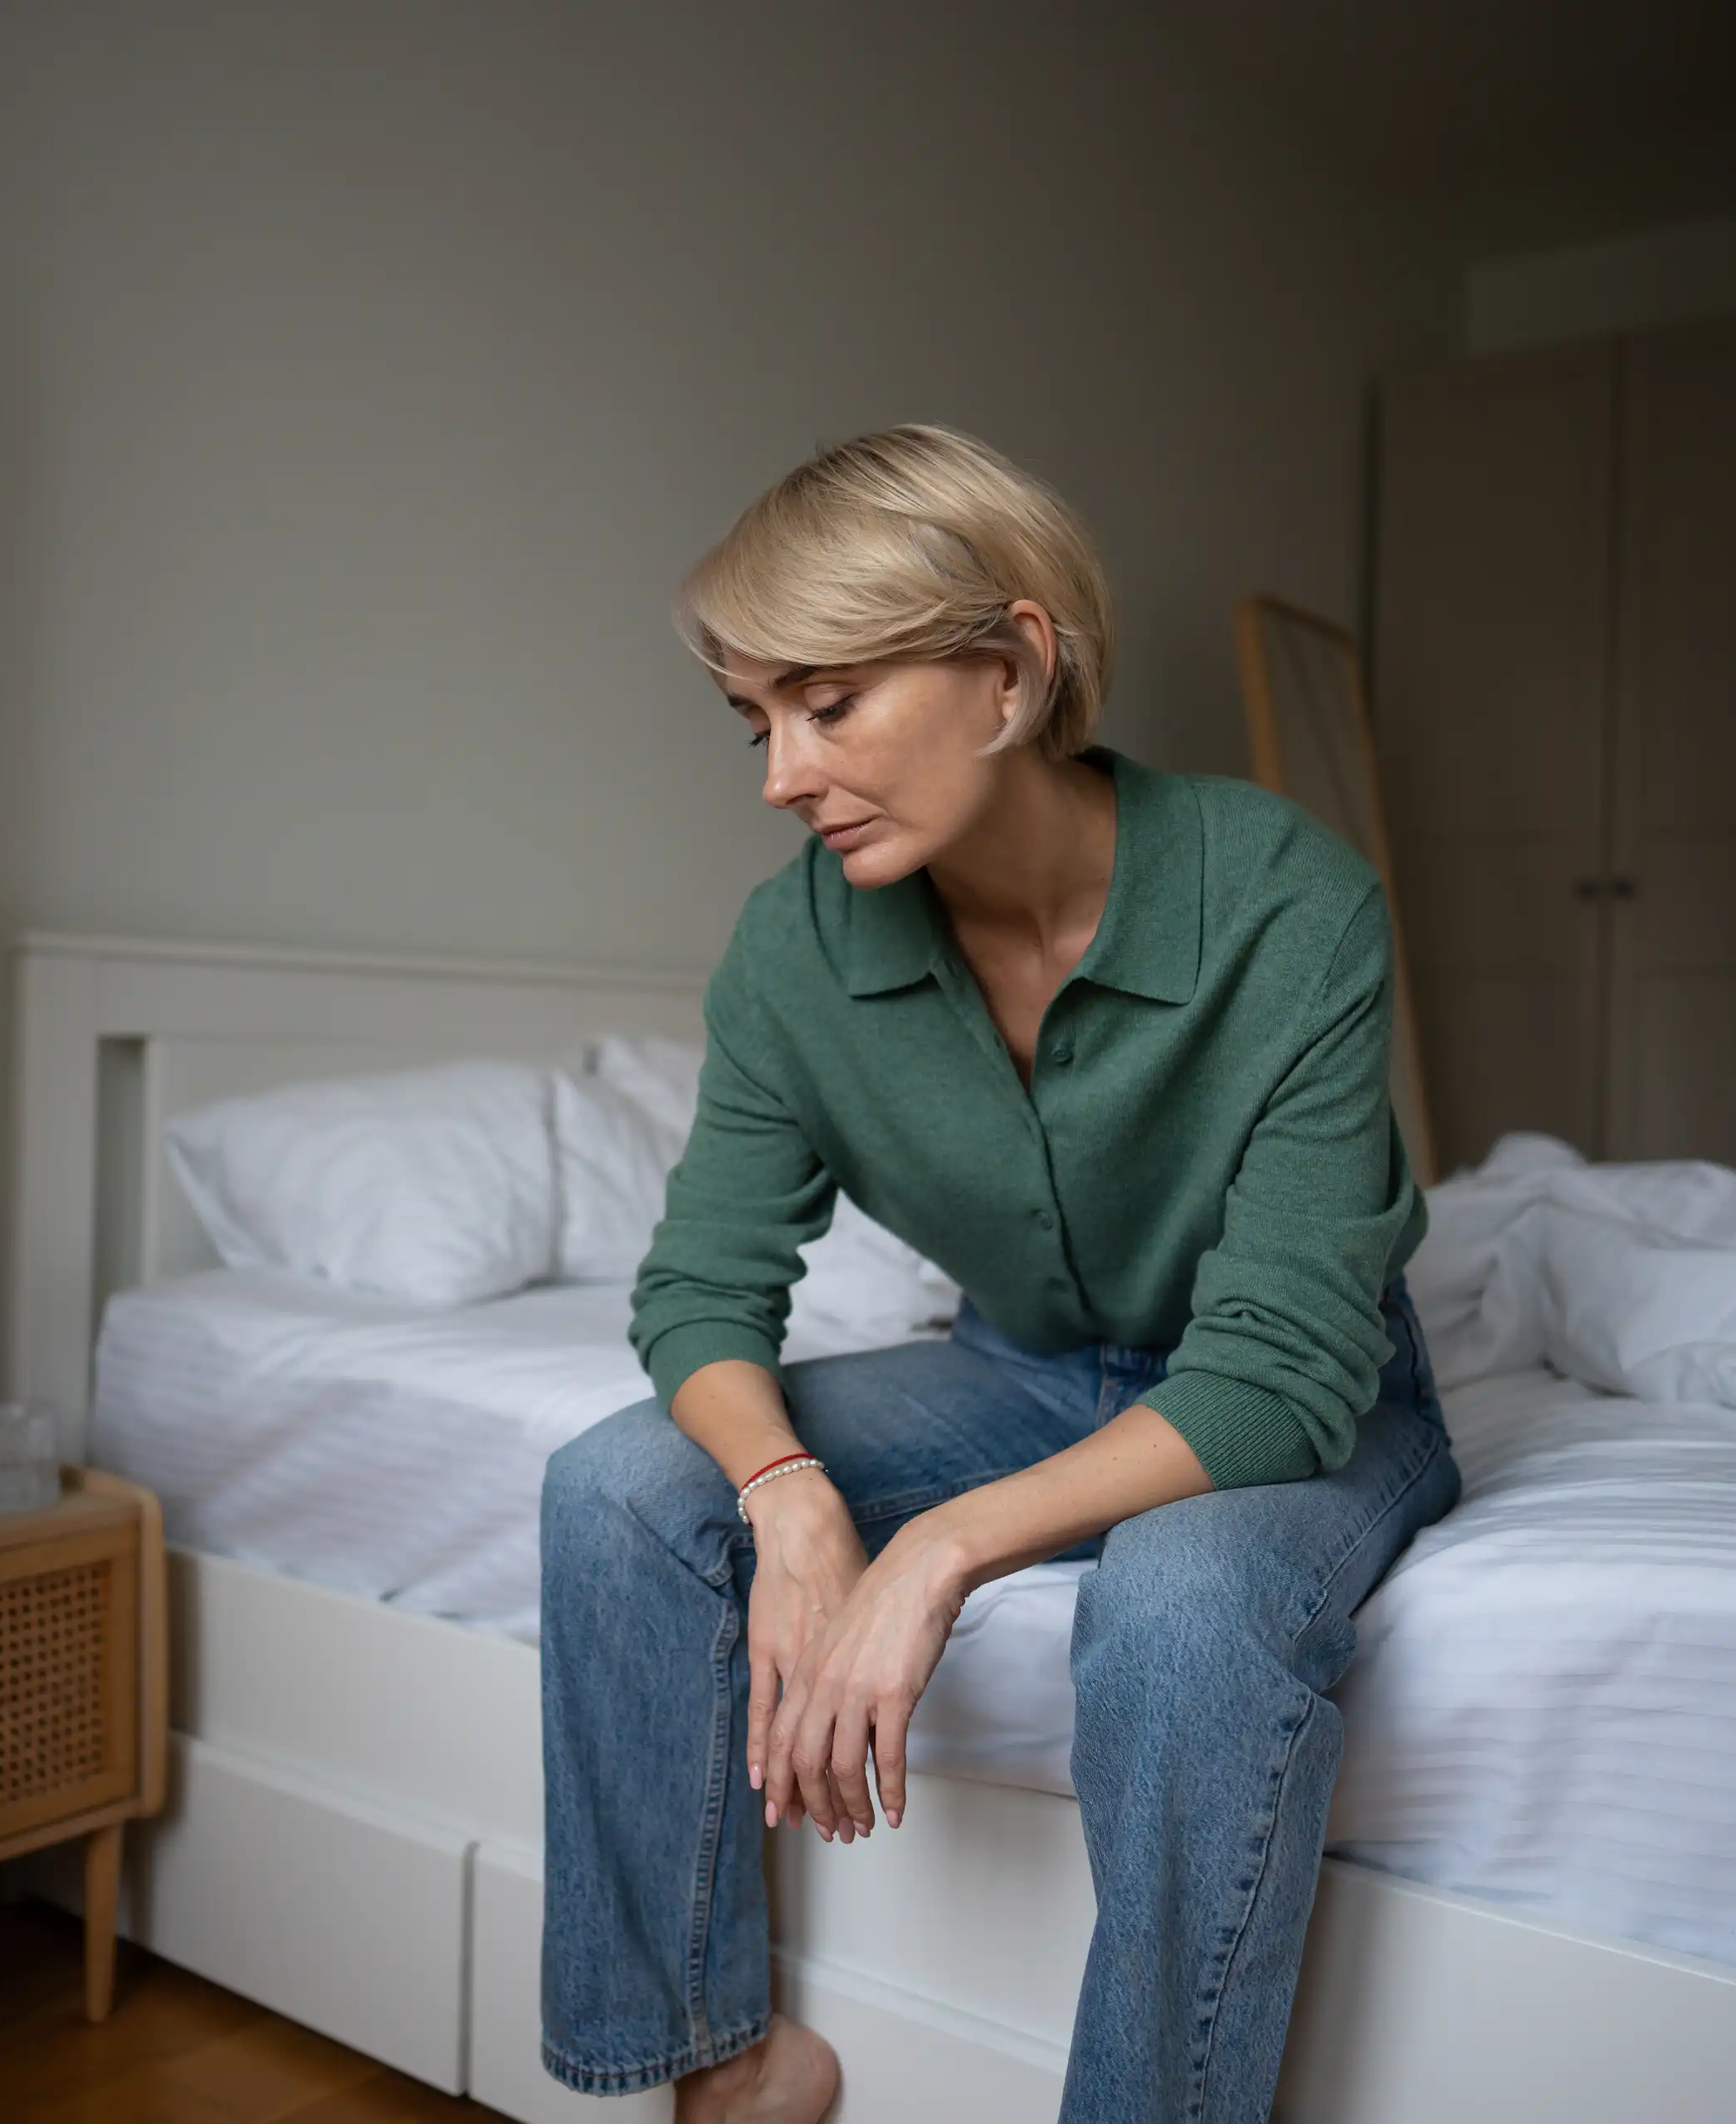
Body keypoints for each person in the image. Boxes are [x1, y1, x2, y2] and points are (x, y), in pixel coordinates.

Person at [539, 425, 1460, 2124]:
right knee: (615, 1486)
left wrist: (940, 1550)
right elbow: (697, 1289)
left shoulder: (1286, 902)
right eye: (756, 724)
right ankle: (723, 2068)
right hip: (1026, 1361)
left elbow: (1271, 1372)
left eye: (827, 704)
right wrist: (792, 1492)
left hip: (1296, 1394)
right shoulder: (791, 948)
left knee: (1180, 1609)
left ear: (1012, 668)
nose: (778, 777)